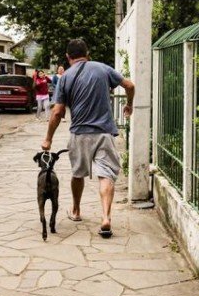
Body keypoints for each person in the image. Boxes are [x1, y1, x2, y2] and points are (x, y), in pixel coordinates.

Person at [42, 39, 135, 238]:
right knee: (106, 174)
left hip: (79, 134)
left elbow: (57, 112)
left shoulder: (65, 77)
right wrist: (129, 104)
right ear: (88, 53)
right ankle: (105, 217)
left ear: (68, 57)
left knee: (78, 173)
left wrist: (48, 139)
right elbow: (129, 85)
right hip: (104, 133)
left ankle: (76, 210)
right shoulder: (103, 69)